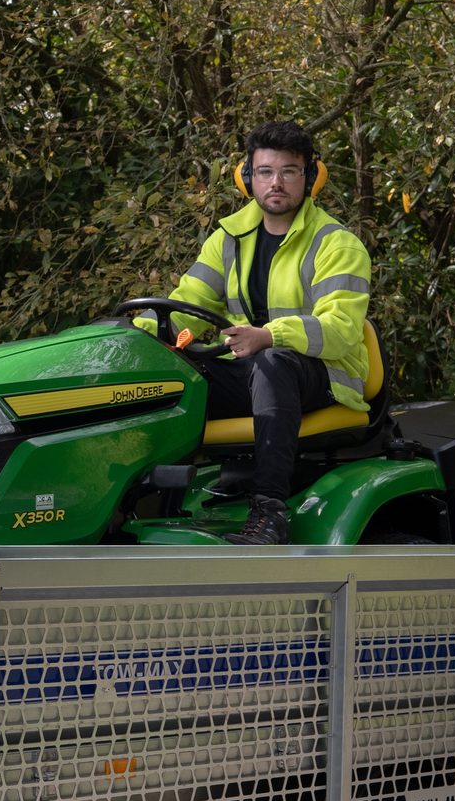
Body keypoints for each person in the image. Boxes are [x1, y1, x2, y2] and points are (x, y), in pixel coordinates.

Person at [160, 120, 374, 544]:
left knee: (272, 362)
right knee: (165, 375)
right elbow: (189, 305)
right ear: (247, 177)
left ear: (309, 177)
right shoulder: (228, 240)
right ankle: (144, 498)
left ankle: (269, 513)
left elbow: (341, 330)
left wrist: (270, 335)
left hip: (325, 377)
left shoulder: (337, 244)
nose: (276, 182)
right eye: (265, 172)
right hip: (254, 374)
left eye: (288, 172)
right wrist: (138, 332)